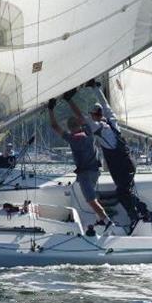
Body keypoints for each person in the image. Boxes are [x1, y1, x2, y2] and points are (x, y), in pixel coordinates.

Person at [64, 80, 150, 227]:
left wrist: (69, 100)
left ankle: (136, 219)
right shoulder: (112, 121)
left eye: (92, 115)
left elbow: (81, 117)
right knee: (125, 192)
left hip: (121, 168)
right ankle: (143, 212)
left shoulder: (97, 127)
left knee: (123, 194)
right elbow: (106, 105)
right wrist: (95, 88)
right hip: (128, 164)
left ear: (94, 116)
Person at [47, 95, 111, 228]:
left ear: (70, 128)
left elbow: (54, 126)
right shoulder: (89, 133)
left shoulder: (71, 138)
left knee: (91, 200)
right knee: (92, 194)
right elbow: (81, 116)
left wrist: (50, 109)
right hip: (95, 171)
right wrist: (69, 99)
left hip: (85, 175)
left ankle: (107, 221)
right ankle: (100, 219)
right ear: (80, 126)